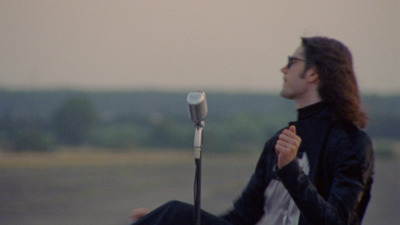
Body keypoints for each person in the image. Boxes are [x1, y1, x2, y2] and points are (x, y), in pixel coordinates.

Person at [129, 36, 374, 225]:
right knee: (174, 216)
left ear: (313, 73)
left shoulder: (350, 143)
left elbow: (337, 221)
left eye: (292, 62)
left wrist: (291, 171)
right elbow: (240, 219)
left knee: (174, 212)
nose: (283, 70)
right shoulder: (277, 143)